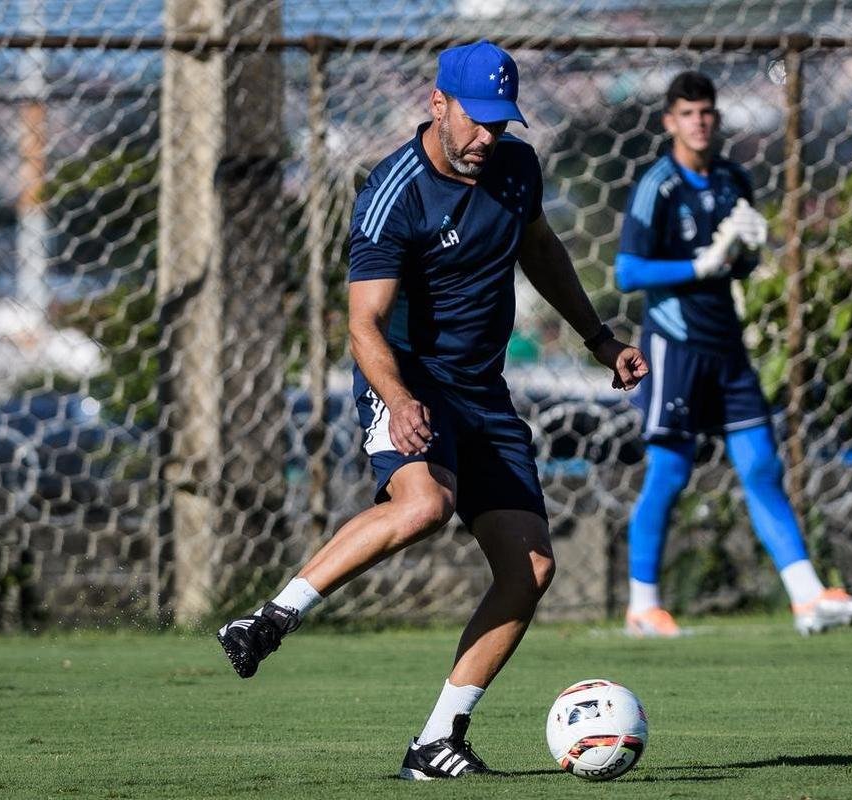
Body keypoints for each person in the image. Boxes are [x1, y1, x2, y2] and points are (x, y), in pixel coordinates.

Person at [216, 40, 648, 780]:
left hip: (483, 391)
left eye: (502, 123)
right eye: (476, 120)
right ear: (437, 103)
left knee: (532, 568)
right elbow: (363, 325)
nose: (488, 137)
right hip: (409, 379)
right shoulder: (394, 192)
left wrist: (600, 339)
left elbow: (539, 249)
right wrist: (398, 397)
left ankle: (437, 741)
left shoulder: (515, 168)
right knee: (425, 505)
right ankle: (270, 617)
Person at [615, 70, 852, 638]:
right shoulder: (657, 185)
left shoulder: (736, 179)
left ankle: (808, 598)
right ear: (669, 122)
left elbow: (743, 263)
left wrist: (744, 252)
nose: (699, 122)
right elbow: (627, 271)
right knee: (670, 470)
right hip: (675, 344)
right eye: (687, 113)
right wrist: (697, 266)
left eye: (706, 112)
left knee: (762, 465)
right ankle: (643, 605)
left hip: (726, 344)